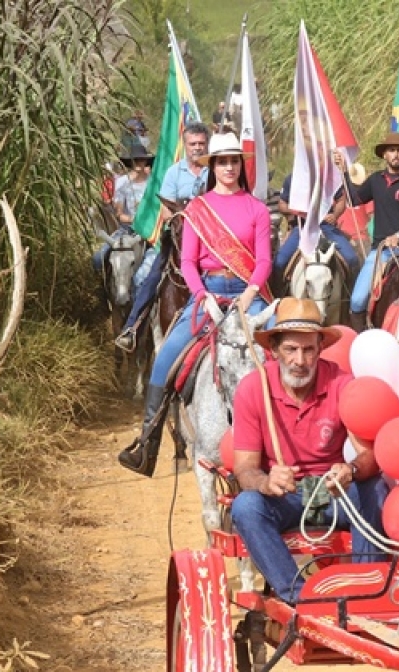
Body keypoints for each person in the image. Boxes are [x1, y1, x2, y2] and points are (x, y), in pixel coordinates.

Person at [118, 133, 273, 476]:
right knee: (165, 360)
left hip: (249, 294)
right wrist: (201, 295)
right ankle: (147, 444)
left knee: (288, 349)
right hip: (210, 294)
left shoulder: (257, 208)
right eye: (222, 161)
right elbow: (187, 262)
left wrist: (249, 294)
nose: (229, 167)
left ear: (240, 165)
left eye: (234, 160)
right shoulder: (198, 211)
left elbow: (263, 261)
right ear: (212, 166)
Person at [231, 298, 388, 603]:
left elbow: (370, 456)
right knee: (245, 507)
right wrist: (265, 482)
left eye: (308, 350)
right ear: (274, 350)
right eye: (290, 349)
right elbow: (244, 468)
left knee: (374, 489)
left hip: (331, 493)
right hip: (284, 497)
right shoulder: (253, 388)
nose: (299, 360)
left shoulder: (343, 383)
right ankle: (300, 598)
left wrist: (351, 469)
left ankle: (367, 592)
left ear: (320, 349)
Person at [115, 122, 210, 352]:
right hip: (178, 237)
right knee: (149, 276)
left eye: (201, 143)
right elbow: (166, 210)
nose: (197, 148)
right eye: (192, 144)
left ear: (207, 144)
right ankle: (133, 327)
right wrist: (183, 217)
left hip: (211, 240)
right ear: (185, 145)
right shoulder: (173, 172)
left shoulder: (215, 171)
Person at [336, 132, 399, 332]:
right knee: (357, 300)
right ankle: (363, 341)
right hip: (381, 251)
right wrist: (344, 172)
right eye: (392, 150)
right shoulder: (375, 180)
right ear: (385, 155)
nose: (396, 154)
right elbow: (354, 200)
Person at [274, 175, 360, 279]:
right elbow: (282, 204)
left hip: (327, 227)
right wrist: (296, 211)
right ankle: (277, 293)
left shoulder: (330, 176)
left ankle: (351, 293)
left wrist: (334, 215)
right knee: (279, 261)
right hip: (302, 228)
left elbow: (341, 199)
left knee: (352, 259)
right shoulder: (293, 178)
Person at [92, 145, 153, 273]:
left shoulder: (153, 183)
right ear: (130, 162)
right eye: (135, 160)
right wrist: (133, 220)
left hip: (150, 230)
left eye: (141, 159)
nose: (138, 163)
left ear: (146, 161)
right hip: (128, 228)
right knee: (99, 258)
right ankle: (103, 285)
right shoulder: (122, 183)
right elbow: (119, 214)